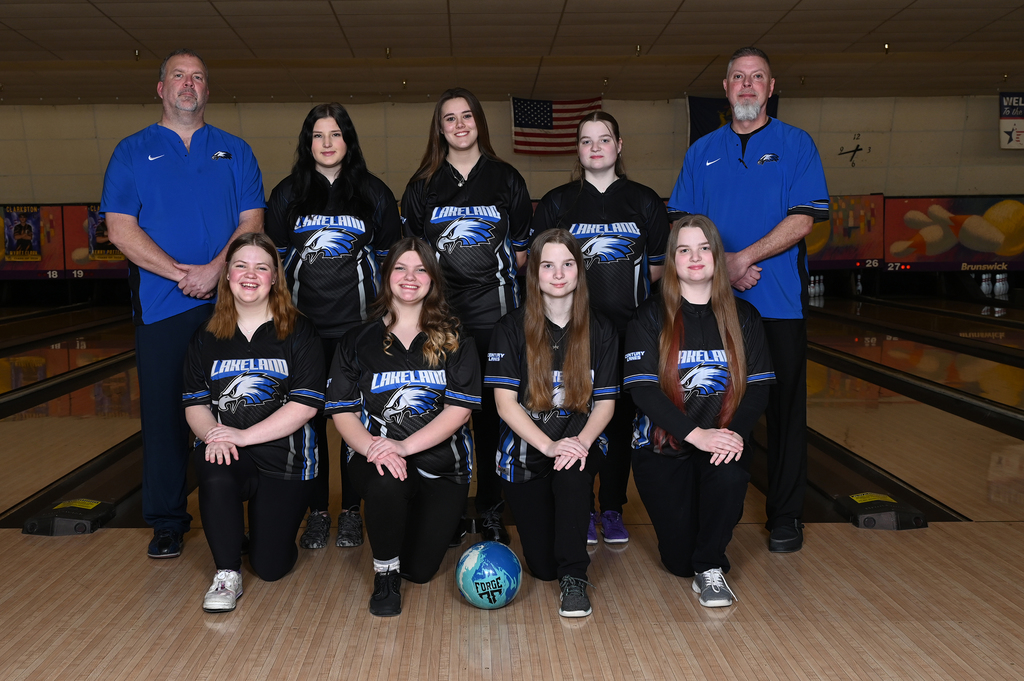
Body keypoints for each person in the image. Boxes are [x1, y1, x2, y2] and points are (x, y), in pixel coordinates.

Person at [102, 48, 264, 559]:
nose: (188, 84)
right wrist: (180, 274)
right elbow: (120, 229)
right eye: (179, 75)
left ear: (207, 90)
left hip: (230, 304)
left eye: (197, 77)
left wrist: (216, 270)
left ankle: (236, 516)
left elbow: (252, 222)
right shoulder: (131, 151)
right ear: (161, 88)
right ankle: (168, 522)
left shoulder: (235, 150)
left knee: (238, 406)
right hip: (161, 305)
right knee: (165, 417)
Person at [667, 46, 828, 553]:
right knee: (715, 406)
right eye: (739, 77)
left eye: (757, 77)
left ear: (771, 88)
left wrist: (742, 259)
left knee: (784, 412)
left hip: (778, 304)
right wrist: (723, 268)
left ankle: (785, 516)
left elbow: (803, 219)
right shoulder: (702, 151)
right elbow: (684, 225)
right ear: (726, 87)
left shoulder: (796, 144)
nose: (747, 85)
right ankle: (713, 512)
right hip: (712, 307)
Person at [266, 103, 403, 551]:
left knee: (353, 422)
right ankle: (318, 511)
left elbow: (391, 263)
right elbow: (275, 265)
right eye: (318, 135)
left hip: (358, 330)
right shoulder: (287, 194)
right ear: (308, 143)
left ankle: (350, 512)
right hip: (303, 331)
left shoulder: (374, 193)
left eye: (336, 134)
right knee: (307, 422)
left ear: (348, 140)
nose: (327, 143)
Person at [530, 111, 668, 546]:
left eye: (604, 139)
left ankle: (611, 507)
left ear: (619, 145)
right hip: (572, 333)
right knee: (575, 417)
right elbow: (541, 268)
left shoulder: (645, 201)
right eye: (586, 140)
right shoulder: (558, 202)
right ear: (577, 149)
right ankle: (581, 505)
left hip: (629, 333)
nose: (595, 147)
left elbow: (658, 269)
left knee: (619, 422)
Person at [401, 88, 532, 546]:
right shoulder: (422, 185)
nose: (459, 125)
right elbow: (413, 260)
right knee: (443, 416)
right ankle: (450, 510)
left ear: (479, 122)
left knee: (494, 419)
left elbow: (521, 255)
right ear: (439, 128)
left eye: (467, 116)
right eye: (450, 118)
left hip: (497, 317)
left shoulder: (506, 178)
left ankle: (493, 509)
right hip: (441, 320)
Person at [325, 237, 481, 617]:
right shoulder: (358, 340)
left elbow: (459, 411)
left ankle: (417, 529)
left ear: (433, 279)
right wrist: (375, 447)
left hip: (443, 465)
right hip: (377, 459)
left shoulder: (456, 337)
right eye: (400, 268)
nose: (410, 278)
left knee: (421, 571)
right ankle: (385, 574)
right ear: (386, 275)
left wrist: (404, 447)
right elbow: (343, 412)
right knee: (386, 481)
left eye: (420, 270)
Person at [624, 215, 773, 608]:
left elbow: (758, 388)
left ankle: (712, 567)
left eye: (704, 248)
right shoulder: (649, 316)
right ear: (672, 260)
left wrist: (731, 435)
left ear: (717, 256)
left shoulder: (744, 317)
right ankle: (697, 557)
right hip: (662, 449)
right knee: (678, 562)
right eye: (684, 249)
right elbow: (643, 391)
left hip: (720, 446)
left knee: (728, 476)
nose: (695, 257)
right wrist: (697, 435)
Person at [182, 233, 324, 613]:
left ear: (274, 277)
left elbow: (305, 406)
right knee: (213, 463)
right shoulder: (206, 336)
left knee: (270, 567)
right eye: (241, 266)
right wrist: (214, 435)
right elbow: (195, 405)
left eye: (261, 267)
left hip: (286, 458)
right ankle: (226, 573)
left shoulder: (300, 331)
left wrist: (243, 435)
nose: (250, 274)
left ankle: (257, 536)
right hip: (231, 453)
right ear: (227, 275)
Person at [486, 229, 618, 618]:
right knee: (543, 568)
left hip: (578, 444)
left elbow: (605, 404)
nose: (558, 274)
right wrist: (549, 445)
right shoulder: (510, 328)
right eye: (547, 265)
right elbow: (505, 404)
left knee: (573, 472)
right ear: (534, 273)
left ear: (579, 271)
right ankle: (566, 538)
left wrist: (578, 443)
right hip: (525, 453)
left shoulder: (601, 329)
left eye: (567, 264)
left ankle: (575, 578)